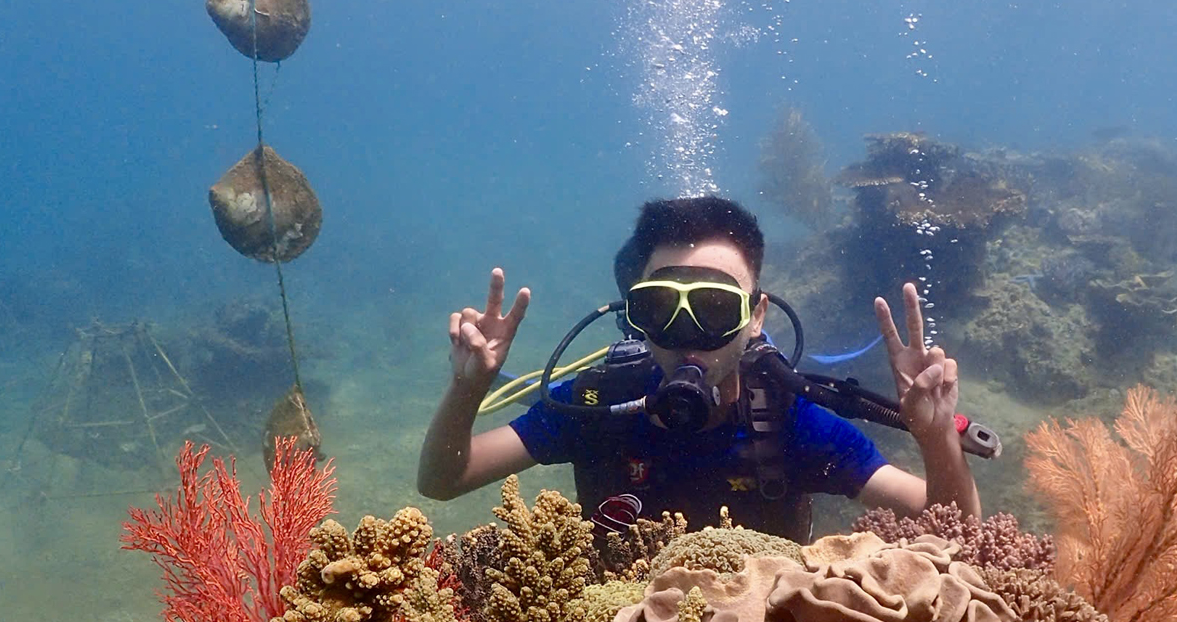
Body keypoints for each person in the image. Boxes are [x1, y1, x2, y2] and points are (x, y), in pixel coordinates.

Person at [418, 196, 980, 541]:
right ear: (634, 316)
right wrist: (467, 390)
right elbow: (443, 481)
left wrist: (936, 438)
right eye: (660, 308)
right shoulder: (598, 404)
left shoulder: (788, 420)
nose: (687, 336)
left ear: (756, 317)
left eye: (713, 309)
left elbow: (953, 527)